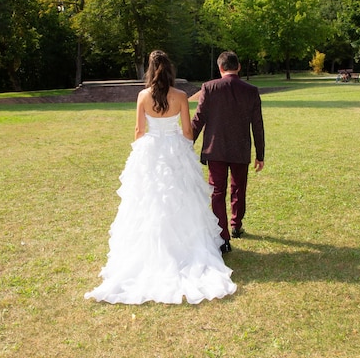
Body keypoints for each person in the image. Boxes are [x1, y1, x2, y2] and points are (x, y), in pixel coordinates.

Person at [84, 50, 236, 304]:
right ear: (170, 70)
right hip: (174, 149)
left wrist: (142, 153)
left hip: (150, 150)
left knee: (149, 200)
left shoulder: (143, 96)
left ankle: (151, 252)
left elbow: (138, 130)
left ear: (149, 70)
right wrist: (179, 145)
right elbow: (188, 131)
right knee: (181, 198)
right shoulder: (179, 96)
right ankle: (185, 250)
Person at [191, 51, 265, 254]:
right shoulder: (251, 90)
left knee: (217, 192)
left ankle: (222, 236)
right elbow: (257, 125)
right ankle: (236, 224)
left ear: (220, 68)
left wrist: (186, 141)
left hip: (216, 148)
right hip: (240, 148)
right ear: (238, 67)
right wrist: (260, 154)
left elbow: (199, 119)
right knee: (239, 187)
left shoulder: (209, 87)